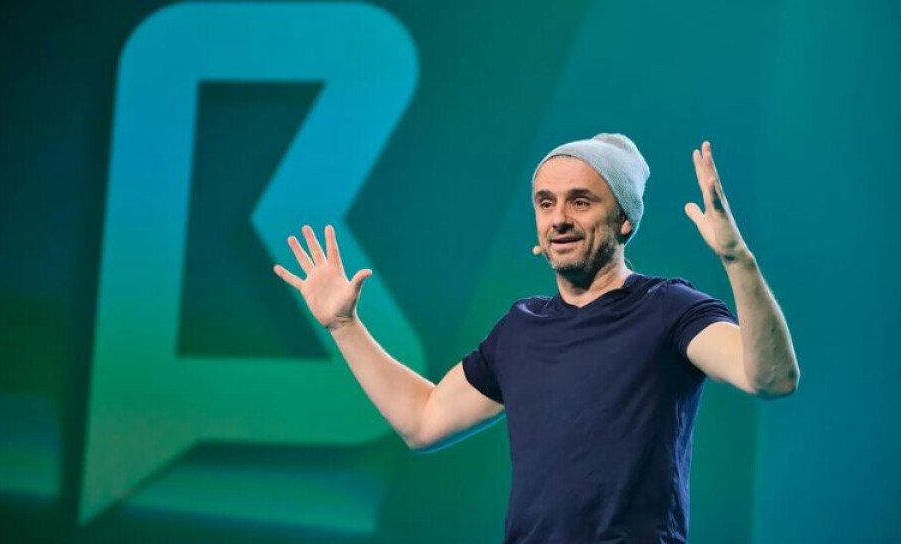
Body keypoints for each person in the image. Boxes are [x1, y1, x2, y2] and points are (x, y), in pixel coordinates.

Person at [272, 134, 800, 544]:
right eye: (546, 203)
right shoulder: (521, 328)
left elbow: (771, 378)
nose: (559, 219)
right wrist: (344, 326)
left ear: (623, 221)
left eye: (580, 202)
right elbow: (423, 420)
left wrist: (737, 259)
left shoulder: (669, 308)